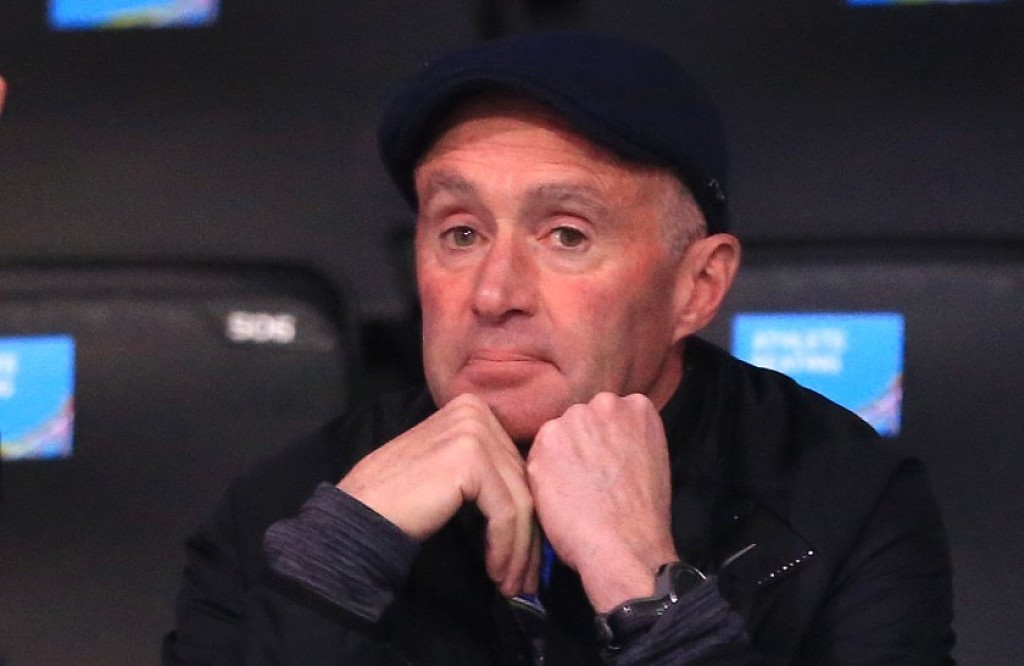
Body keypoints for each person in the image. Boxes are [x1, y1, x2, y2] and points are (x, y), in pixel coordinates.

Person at [163, 32, 954, 665]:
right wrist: (342, 560)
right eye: (460, 233)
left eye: (567, 235)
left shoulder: (845, 504)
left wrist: (646, 593)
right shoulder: (285, 511)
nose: (493, 293)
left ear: (697, 286)